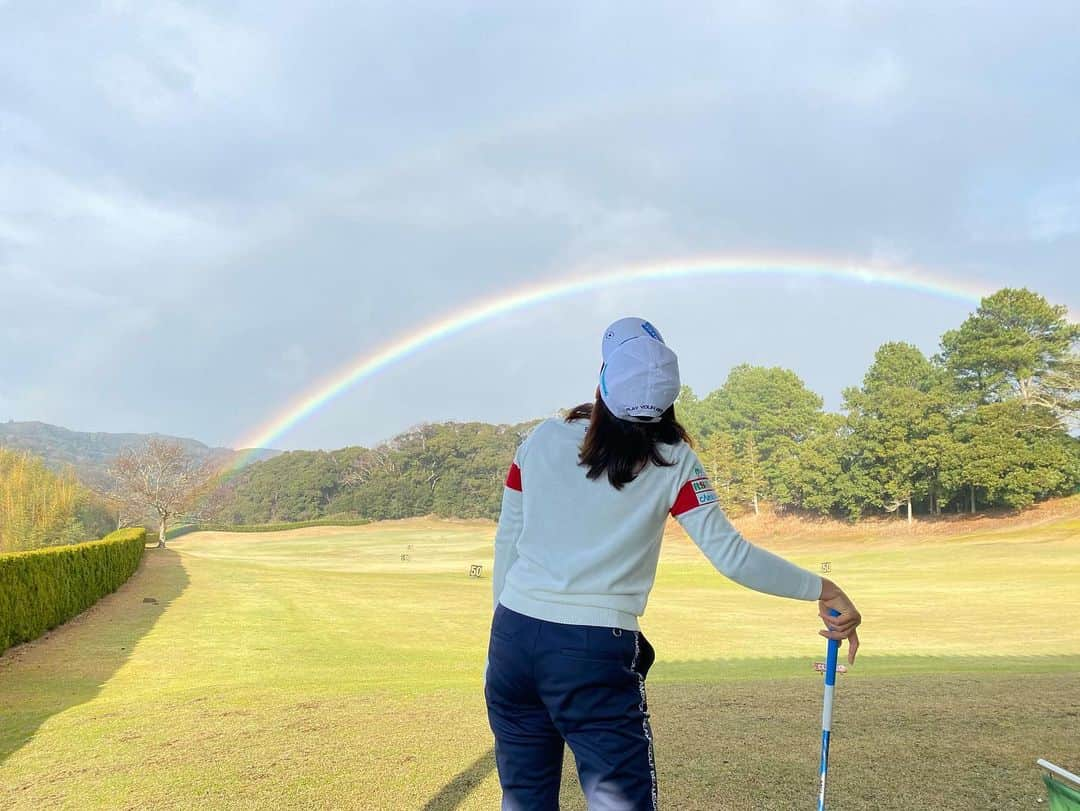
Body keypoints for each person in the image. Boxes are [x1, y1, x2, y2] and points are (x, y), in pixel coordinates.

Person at [484, 317, 861, 811]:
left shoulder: (540, 439)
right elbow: (732, 556)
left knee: (524, 800)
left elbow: (508, 541)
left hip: (513, 638)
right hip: (593, 648)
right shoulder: (672, 458)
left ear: (601, 379)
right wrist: (824, 589)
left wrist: (505, 628)